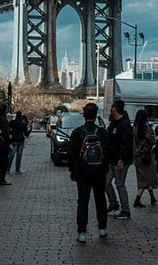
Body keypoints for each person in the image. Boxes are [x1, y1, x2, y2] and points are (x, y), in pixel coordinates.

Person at [68, 102, 109, 243]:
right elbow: (107, 152)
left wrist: (72, 170)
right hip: (99, 172)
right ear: (96, 116)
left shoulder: (77, 132)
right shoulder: (103, 132)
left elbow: (72, 154)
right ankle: (102, 229)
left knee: (83, 202)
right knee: (100, 200)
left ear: (84, 116)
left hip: (83, 172)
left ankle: (82, 233)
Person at [104, 99, 133, 220]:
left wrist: (122, 159)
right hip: (111, 159)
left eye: (112, 107)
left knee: (120, 183)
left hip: (120, 160)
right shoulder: (113, 124)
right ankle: (113, 203)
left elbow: (127, 143)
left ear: (115, 109)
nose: (110, 110)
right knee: (106, 181)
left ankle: (125, 210)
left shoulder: (124, 124)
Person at [131, 110, 158, 207]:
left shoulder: (133, 129)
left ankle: (152, 198)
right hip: (146, 156)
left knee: (144, 177)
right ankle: (137, 200)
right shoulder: (147, 129)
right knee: (147, 178)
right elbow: (153, 141)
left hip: (137, 156)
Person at [0, 103, 12, 185]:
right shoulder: (3, 119)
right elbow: (5, 132)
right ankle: (1, 179)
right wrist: (9, 143)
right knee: (3, 162)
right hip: (2, 144)